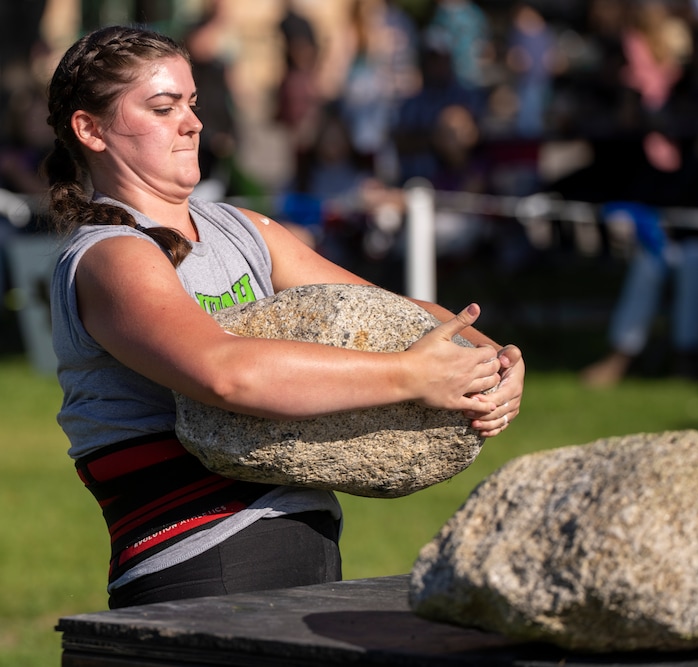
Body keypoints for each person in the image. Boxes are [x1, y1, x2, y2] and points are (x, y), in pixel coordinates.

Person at [45, 25, 524, 610]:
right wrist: (411, 376)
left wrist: (493, 358)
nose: (193, 123)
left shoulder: (242, 230)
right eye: (164, 108)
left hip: (308, 543)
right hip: (196, 565)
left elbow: (396, 313)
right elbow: (226, 374)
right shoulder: (110, 254)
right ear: (90, 130)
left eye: (191, 104)